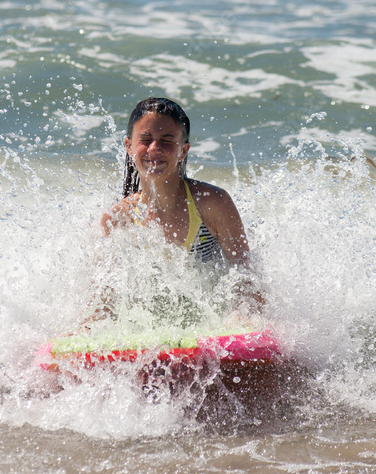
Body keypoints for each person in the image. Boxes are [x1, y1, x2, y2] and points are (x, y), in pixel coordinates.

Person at [89, 98, 264, 325]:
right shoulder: (117, 219)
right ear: (129, 146)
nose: (155, 148)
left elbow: (246, 277)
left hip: (212, 326)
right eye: (145, 140)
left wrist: (242, 320)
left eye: (167, 140)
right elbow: (104, 303)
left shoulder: (211, 203)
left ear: (184, 150)